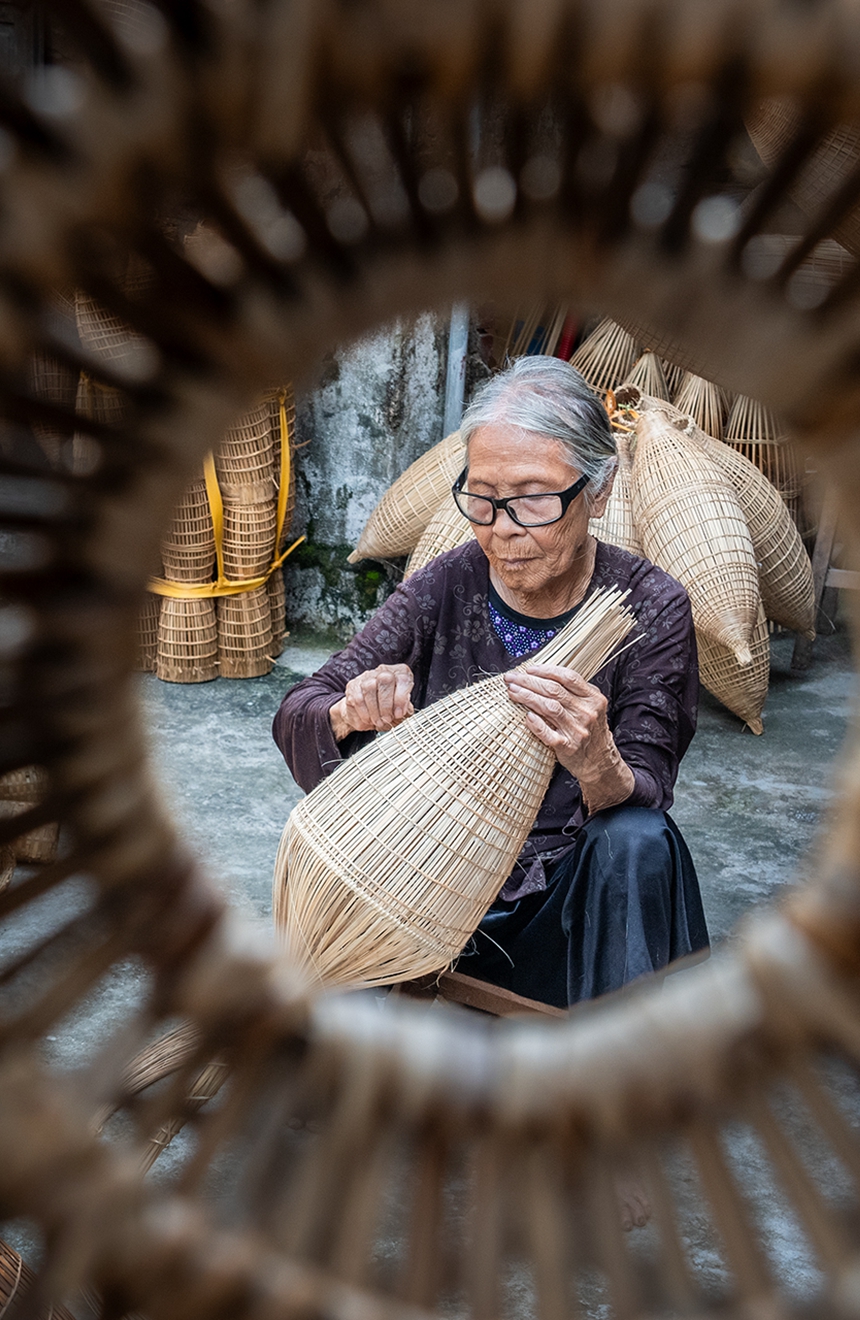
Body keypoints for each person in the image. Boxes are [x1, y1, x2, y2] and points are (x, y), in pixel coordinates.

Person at [272, 354, 708, 1009]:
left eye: (532, 500)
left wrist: (598, 765)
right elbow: (300, 710)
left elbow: (649, 783)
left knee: (637, 840)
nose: (501, 531)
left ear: (599, 490)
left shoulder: (650, 608)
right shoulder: (446, 584)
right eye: (482, 499)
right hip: (437, 892)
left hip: (564, 911)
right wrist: (350, 712)